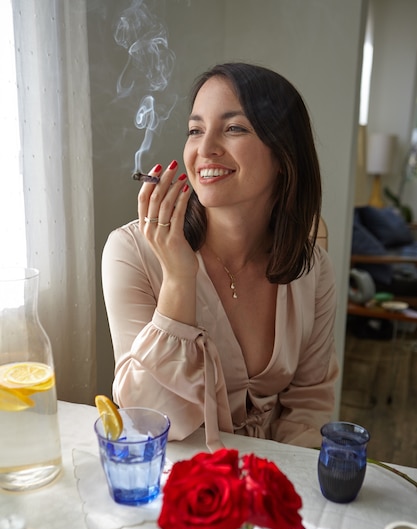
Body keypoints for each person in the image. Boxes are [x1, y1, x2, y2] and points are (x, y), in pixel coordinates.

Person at [102, 62, 339, 451]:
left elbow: (309, 406)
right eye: (195, 130)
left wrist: (283, 492)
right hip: (176, 484)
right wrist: (179, 280)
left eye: (234, 128)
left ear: (284, 154)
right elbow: (150, 419)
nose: (205, 149)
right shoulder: (130, 253)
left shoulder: (313, 269)